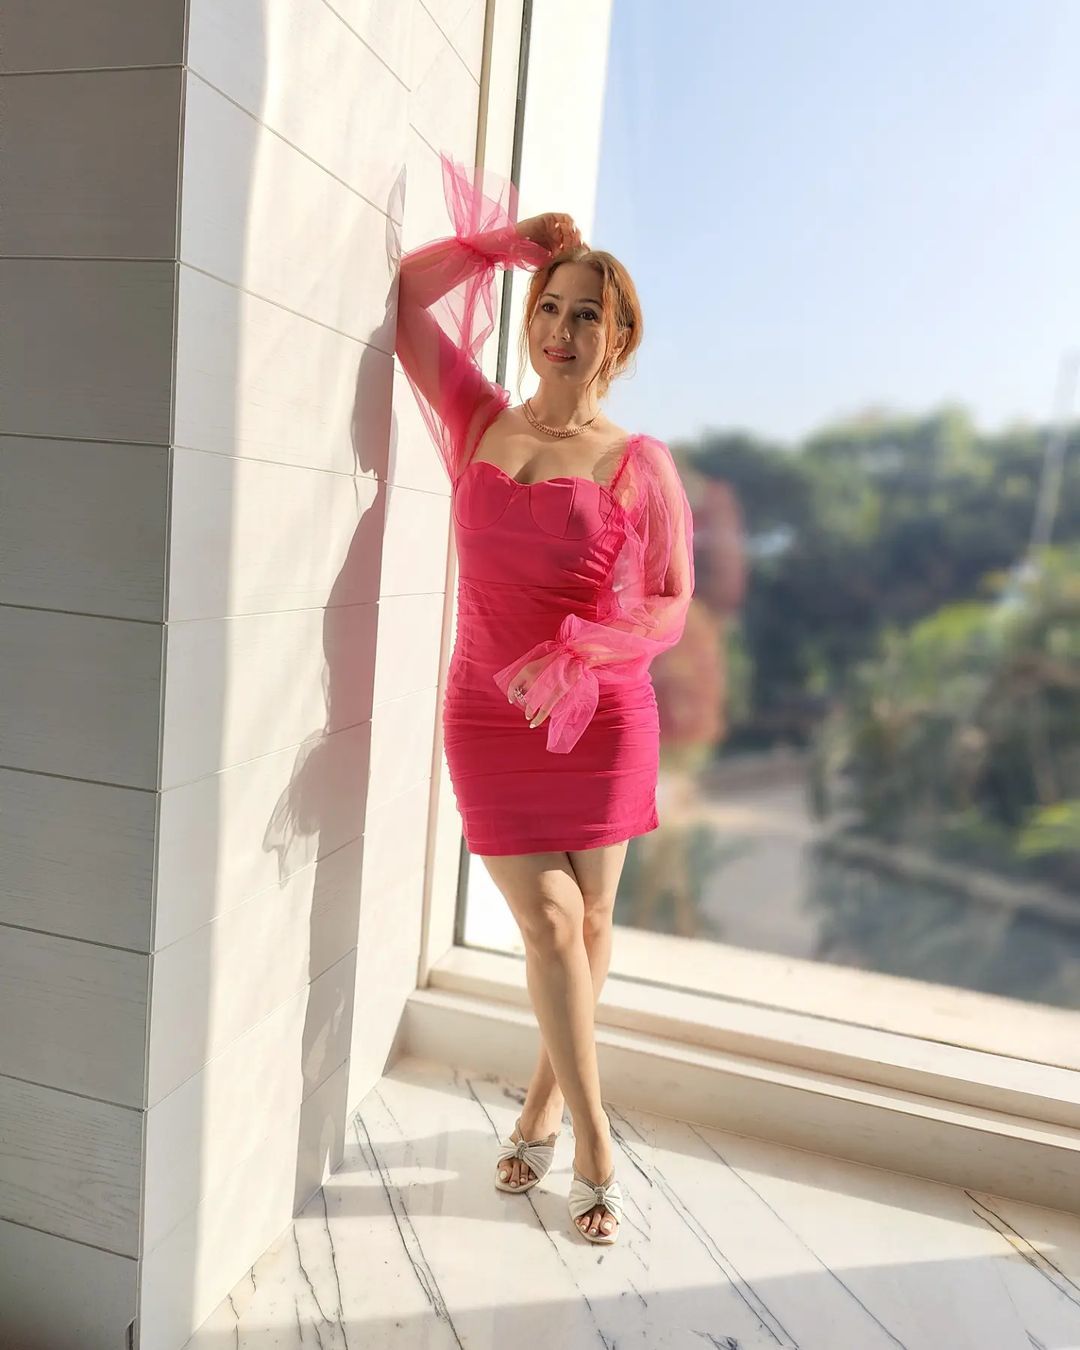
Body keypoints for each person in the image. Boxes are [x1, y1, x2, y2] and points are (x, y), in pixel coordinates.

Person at [394, 152, 695, 1246]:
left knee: (590, 921)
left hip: (600, 717)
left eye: (586, 316)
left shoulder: (639, 464)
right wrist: (500, 246)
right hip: (486, 714)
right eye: (549, 308)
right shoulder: (477, 418)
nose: (561, 330)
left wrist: (585, 650)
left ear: (620, 338)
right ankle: (599, 1144)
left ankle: (538, 1111)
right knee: (555, 920)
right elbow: (406, 301)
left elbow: (667, 602)